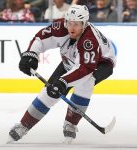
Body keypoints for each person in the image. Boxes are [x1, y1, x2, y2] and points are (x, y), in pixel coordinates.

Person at [8, 4, 116, 143]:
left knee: (86, 83)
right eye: (69, 23)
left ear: (84, 24)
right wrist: (31, 54)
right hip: (71, 60)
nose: (72, 27)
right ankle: (24, 125)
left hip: (101, 63)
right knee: (49, 91)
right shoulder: (60, 27)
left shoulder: (89, 40)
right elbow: (40, 38)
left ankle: (71, 124)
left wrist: (63, 82)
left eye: (76, 24)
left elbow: (85, 69)